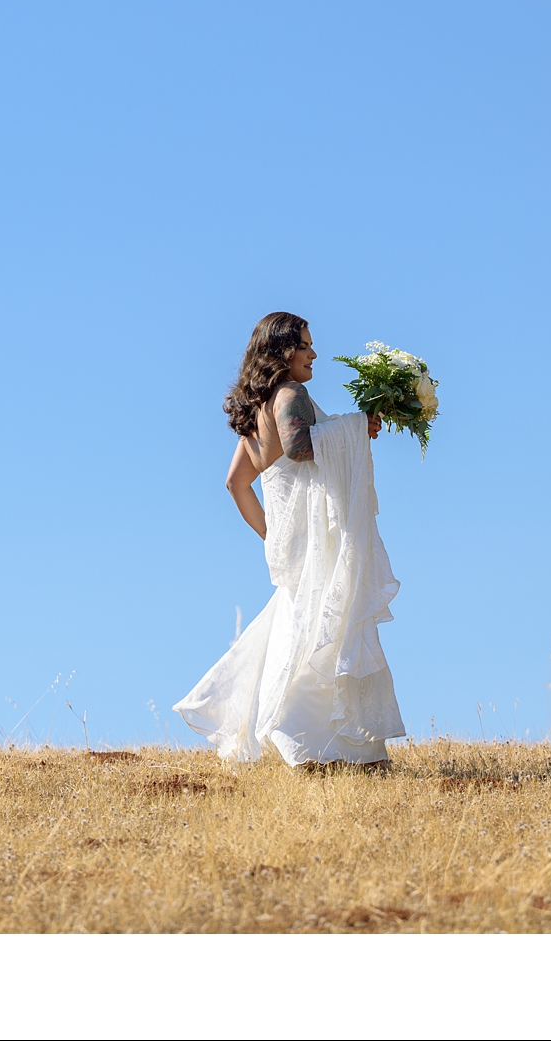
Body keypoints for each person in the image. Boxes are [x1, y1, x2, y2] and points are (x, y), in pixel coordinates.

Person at [174, 311, 406, 769]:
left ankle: (320, 743)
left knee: (301, 624)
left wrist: (270, 535)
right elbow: (300, 447)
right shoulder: (289, 394)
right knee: (326, 627)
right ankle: (306, 738)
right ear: (283, 351)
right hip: (311, 538)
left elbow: (236, 484)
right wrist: (357, 426)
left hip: (293, 538)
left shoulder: (257, 406)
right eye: (306, 345)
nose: (314, 353)